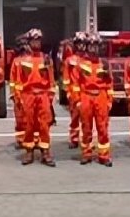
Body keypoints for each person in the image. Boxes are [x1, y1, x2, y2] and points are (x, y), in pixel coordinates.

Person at [15, 28, 56, 167]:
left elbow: (51, 80)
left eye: (38, 40)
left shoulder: (46, 59)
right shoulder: (22, 60)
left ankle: (45, 152)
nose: (36, 43)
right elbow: (18, 81)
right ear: (29, 42)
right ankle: (29, 151)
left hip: (43, 95)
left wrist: (50, 97)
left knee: (44, 125)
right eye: (34, 40)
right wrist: (19, 98)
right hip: (28, 95)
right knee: (29, 124)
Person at [73, 33, 113, 166]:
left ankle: (104, 155)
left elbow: (109, 84)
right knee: (86, 127)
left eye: (96, 46)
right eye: (91, 46)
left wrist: (109, 101)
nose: (93, 49)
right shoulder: (80, 64)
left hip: (101, 97)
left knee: (103, 128)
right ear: (87, 47)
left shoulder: (104, 64)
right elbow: (76, 84)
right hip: (86, 96)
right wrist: (78, 101)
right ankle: (86, 154)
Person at [62, 32, 86, 149]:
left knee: (87, 118)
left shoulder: (88, 60)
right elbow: (66, 78)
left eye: (83, 44)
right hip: (74, 94)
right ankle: (74, 139)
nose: (81, 46)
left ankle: (87, 139)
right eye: (79, 43)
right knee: (75, 118)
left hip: (86, 93)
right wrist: (68, 92)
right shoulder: (70, 60)